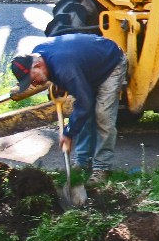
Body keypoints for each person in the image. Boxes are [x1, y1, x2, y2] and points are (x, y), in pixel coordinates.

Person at [11, 34, 128, 183]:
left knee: (102, 116)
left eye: (32, 79)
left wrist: (68, 133)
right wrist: (58, 82)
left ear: (38, 65)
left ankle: (102, 167)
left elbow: (84, 103)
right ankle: (82, 161)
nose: (34, 84)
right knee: (84, 117)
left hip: (111, 63)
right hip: (88, 67)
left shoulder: (64, 68)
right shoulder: (39, 54)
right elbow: (61, 71)